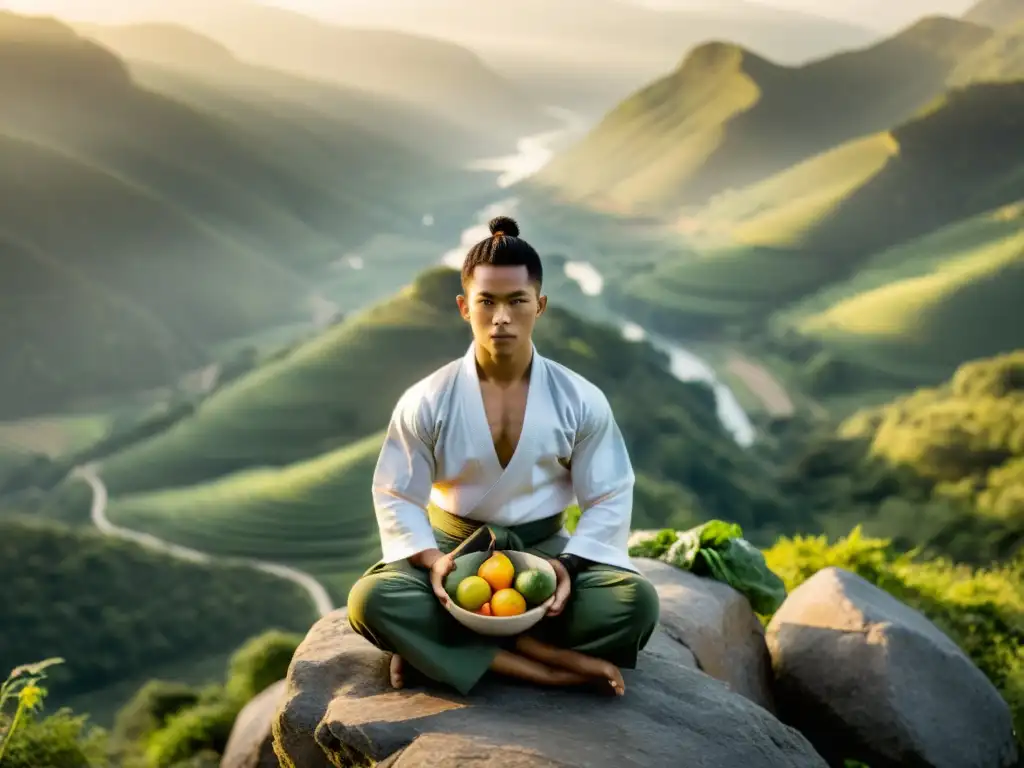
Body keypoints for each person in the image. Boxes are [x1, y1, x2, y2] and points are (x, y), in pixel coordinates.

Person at [347, 215, 659, 697]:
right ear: (462, 306)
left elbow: (610, 494)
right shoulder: (427, 399)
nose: (501, 318)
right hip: (453, 557)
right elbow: (395, 493)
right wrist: (430, 561)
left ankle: (439, 650)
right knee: (371, 601)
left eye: (517, 301)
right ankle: (545, 664)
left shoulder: (580, 398)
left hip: (544, 555)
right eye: (486, 302)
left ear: (541, 305)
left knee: (635, 604)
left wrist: (568, 568)